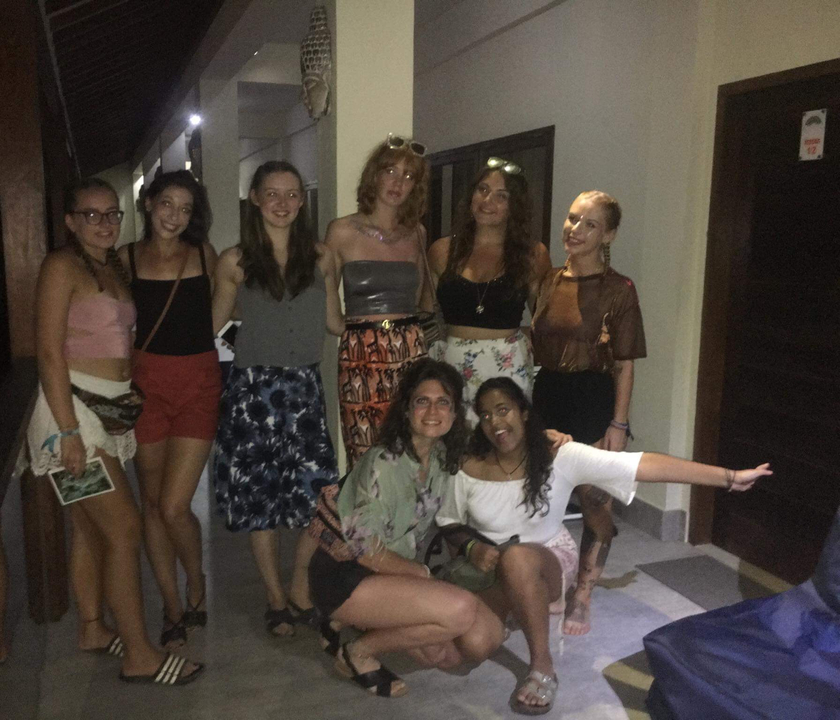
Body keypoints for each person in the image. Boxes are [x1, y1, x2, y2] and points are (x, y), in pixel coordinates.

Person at [436, 377, 770, 714]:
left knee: (518, 559)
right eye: (486, 415)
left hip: (545, 560)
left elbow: (643, 465)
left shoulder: (560, 455)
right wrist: (469, 549)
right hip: (490, 569)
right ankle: (514, 610)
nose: (495, 422)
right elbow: (449, 522)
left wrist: (727, 477)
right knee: (472, 648)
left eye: (503, 410)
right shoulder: (468, 466)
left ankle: (542, 667)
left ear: (524, 413)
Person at [26, 178, 200, 685]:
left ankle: (92, 628)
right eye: (92, 214)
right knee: (124, 529)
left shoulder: (110, 266)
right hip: (73, 414)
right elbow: (48, 351)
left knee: (90, 529)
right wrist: (66, 432)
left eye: (111, 214)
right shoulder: (60, 267)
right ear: (70, 221)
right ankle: (142, 655)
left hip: (109, 411)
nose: (104, 223)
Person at [307, 359, 505, 698]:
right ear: (406, 409)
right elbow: (364, 550)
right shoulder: (383, 463)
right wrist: (423, 574)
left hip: (391, 574)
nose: (432, 411)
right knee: (460, 610)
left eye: (443, 402)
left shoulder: (442, 456)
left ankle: (348, 624)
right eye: (422, 401)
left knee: (471, 644)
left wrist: (542, 442)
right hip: (347, 575)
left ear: (455, 413)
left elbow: (499, 462)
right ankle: (359, 651)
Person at [211, 161, 343, 636]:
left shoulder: (323, 257)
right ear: (255, 198)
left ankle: (300, 583)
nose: (283, 204)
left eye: (292, 194)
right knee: (260, 499)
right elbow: (212, 325)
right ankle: (274, 596)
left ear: (302, 200)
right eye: (273, 194)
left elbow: (335, 322)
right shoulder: (235, 261)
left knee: (319, 494)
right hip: (254, 393)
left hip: (305, 390)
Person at [531, 190, 645, 635]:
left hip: (594, 397)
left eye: (589, 224)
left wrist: (618, 423)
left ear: (608, 234)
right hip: (548, 394)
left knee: (595, 503)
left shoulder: (620, 290)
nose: (575, 230)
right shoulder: (548, 280)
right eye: (573, 219)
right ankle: (550, 582)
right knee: (541, 497)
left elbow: (625, 363)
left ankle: (583, 593)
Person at [122, 170, 219, 649]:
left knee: (175, 504)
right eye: (167, 205)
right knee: (153, 505)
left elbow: (221, 310)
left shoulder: (203, 254)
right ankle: (172, 604)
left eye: (184, 209)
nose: (174, 217)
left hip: (198, 382)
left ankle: (196, 580)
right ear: (148, 203)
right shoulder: (124, 259)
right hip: (146, 387)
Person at [324, 135, 432, 467]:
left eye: (409, 176)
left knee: (414, 445)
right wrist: (354, 330)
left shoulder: (417, 233)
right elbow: (329, 308)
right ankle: (367, 519)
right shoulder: (341, 231)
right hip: (361, 355)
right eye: (390, 171)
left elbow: (418, 299)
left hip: (410, 349)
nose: (398, 182)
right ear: (375, 174)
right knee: (366, 449)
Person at [429, 158, 551, 420]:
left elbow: (544, 319)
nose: (487, 201)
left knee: (504, 449)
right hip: (452, 365)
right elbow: (425, 313)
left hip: (508, 367)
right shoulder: (441, 251)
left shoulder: (532, 255)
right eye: (482, 190)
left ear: (513, 206)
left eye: (501, 196)